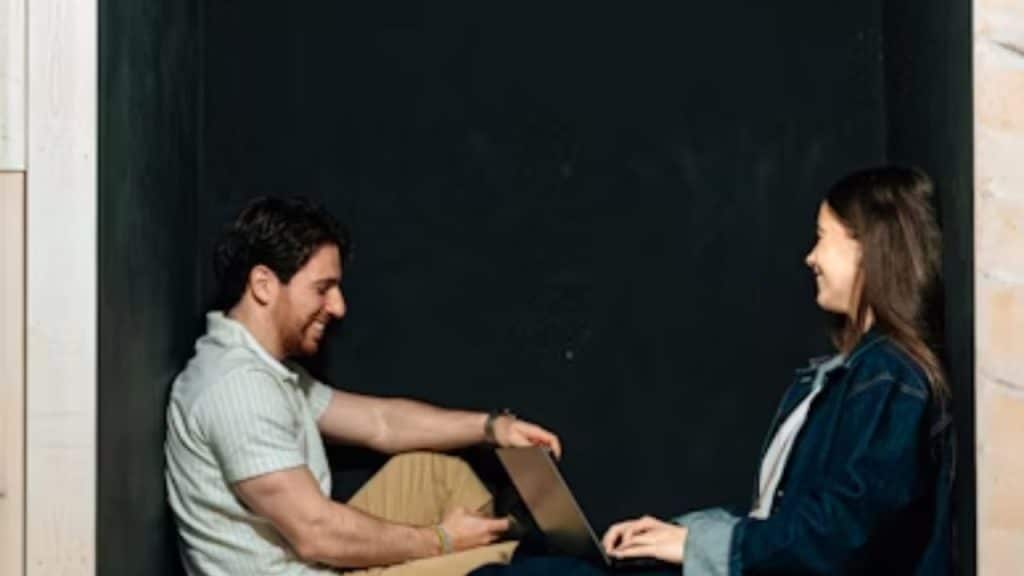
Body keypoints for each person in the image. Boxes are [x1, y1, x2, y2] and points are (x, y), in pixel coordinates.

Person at [165, 196, 563, 576]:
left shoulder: (262, 368)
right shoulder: (239, 388)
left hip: (317, 563)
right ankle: (510, 557)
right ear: (264, 285)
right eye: (323, 289)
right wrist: (442, 540)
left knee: (432, 472)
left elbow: (381, 423)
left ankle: (497, 543)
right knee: (503, 564)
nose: (338, 307)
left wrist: (493, 428)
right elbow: (316, 533)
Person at [596, 166, 955, 575]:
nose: (811, 258)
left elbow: (842, 535)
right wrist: (680, 534)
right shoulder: (858, 373)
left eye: (821, 238)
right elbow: (779, 517)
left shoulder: (889, 376)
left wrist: (696, 544)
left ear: (868, 248)